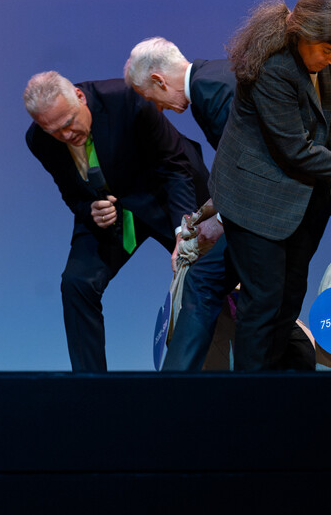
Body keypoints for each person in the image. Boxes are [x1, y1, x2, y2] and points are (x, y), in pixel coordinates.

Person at [210, 0, 331, 371]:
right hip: (255, 199)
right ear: (306, 34)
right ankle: (247, 394)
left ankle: (276, 384)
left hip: (301, 200)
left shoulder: (323, 59)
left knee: (290, 295)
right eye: (329, 52)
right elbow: (295, 149)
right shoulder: (274, 66)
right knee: (262, 300)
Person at [24, 71, 209, 371]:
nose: (66, 136)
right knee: (77, 283)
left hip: (166, 195)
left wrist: (183, 231)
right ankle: (92, 388)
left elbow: (175, 168)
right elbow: (72, 195)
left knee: (212, 274)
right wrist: (91, 210)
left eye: (69, 123)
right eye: (55, 131)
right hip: (113, 211)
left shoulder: (126, 99)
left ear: (80, 97)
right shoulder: (39, 141)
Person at [124, 37, 237, 371]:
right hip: (259, 208)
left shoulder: (209, 90)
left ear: (159, 80)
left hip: (263, 213)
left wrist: (219, 221)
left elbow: (248, 158)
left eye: (150, 99)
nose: (156, 110)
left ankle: (172, 391)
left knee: (202, 283)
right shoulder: (212, 77)